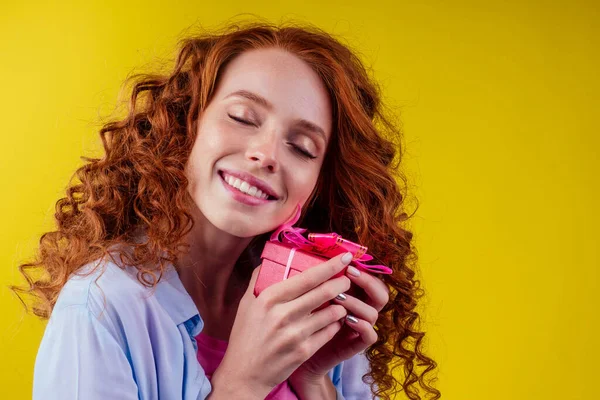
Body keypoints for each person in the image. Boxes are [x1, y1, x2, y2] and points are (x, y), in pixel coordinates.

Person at [11, 21, 440, 400]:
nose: (266, 154)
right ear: (185, 125)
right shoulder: (100, 307)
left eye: (302, 147)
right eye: (242, 116)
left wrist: (314, 377)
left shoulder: (313, 308)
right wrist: (242, 384)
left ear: (317, 184)